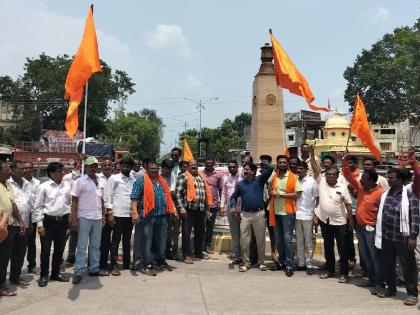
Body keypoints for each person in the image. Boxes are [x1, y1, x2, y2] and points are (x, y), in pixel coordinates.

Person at [375, 168, 419, 306]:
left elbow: (415, 218)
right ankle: (391, 289)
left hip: (403, 238)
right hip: (387, 236)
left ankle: (412, 294)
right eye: (388, 177)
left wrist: (413, 237)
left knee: (408, 267)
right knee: (388, 265)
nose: (389, 179)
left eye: (392, 178)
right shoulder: (386, 194)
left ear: (400, 179)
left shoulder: (410, 196)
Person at [310, 145, 353, 283]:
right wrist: (311, 153)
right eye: (328, 174)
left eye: (333, 174)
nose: (330, 176)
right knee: (328, 246)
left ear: (337, 176)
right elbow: (315, 167)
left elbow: (348, 204)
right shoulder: (321, 182)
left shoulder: (342, 186)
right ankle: (330, 269)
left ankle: (344, 273)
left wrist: (351, 221)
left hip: (340, 222)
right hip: (325, 220)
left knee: (343, 248)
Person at [342, 158, 384, 292]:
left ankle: (379, 283)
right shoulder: (361, 188)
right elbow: (348, 175)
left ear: (371, 181)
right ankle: (372, 280)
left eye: (364, 178)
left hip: (372, 229)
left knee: (375, 257)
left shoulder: (380, 194)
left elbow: (381, 214)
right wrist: (345, 161)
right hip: (360, 228)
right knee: (366, 256)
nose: (360, 180)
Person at [131, 160, 176, 276]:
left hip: (162, 215)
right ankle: (146, 265)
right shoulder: (141, 181)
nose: (155, 171)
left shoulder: (161, 180)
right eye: (152, 169)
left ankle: (160, 262)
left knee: (162, 240)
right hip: (147, 216)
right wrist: (135, 213)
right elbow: (134, 198)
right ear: (147, 169)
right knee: (147, 240)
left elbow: (167, 196)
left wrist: (173, 209)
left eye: (156, 168)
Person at [230, 161, 274, 272]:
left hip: (259, 214)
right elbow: (233, 197)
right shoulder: (240, 184)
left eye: (247, 169)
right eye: (244, 169)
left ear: (254, 171)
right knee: (244, 240)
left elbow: (270, 168)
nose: (245, 171)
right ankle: (246, 263)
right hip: (245, 215)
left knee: (260, 240)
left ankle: (261, 262)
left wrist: (261, 163)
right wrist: (233, 206)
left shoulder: (259, 180)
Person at [33, 162, 72, 287]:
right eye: (60, 171)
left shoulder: (67, 185)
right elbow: (38, 207)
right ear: (52, 173)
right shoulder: (44, 187)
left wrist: (70, 221)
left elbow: (69, 203)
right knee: (45, 249)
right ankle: (44, 275)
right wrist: (39, 224)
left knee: (59, 249)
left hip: (63, 221)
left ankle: (56, 273)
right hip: (48, 221)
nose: (63, 173)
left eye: (63, 171)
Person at [72, 156, 108, 285]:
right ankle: (78, 271)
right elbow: (74, 201)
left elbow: (102, 201)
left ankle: (94, 268)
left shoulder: (101, 180)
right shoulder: (80, 181)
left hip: (97, 217)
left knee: (95, 245)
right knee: (81, 246)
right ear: (85, 167)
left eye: (95, 166)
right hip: (84, 217)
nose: (93, 168)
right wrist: (74, 219)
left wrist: (103, 216)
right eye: (90, 166)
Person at [268, 155, 302, 277]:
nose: (282, 164)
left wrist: (281, 195)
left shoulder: (293, 177)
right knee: (279, 240)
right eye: (280, 162)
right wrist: (271, 192)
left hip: (287, 213)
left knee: (287, 239)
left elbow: (298, 194)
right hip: (275, 211)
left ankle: (288, 264)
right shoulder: (275, 176)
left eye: (284, 162)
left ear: (287, 164)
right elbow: (269, 188)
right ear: (277, 164)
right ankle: (281, 262)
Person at [175, 160, 213, 264]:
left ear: (198, 166)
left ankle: (198, 252)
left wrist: (207, 207)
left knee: (200, 232)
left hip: (200, 209)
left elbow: (204, 192)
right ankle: (186, 255)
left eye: (195, 165)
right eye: (191, 165)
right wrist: (181, 208)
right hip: (188, 209)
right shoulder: (183, 176)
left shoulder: (200, 177)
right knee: (186, 233)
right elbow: (178, 193)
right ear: (187, 167)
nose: (193, 166)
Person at [105, 158, 135, 276]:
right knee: (115, 241)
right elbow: (108, 196)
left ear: (131, 168)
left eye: (128, 166)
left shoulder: (133, 179)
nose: (126, 168)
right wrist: (110, 213)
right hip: (117, 214)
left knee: (127, 240)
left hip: (129, 214)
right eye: (124, 166)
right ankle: (113, 265)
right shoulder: (114, 178)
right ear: (120, 167)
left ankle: (127, 263)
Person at [0, 161, 25, 297]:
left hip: (7, 226)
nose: (9, 171)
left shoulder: (8, 185)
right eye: (6, 169)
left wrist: (20, 220)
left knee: (5, 257)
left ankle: (2, 285)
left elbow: (13, 205)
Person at [8, 160, 32, 287]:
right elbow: (10, 205)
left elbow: (30, 204)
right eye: (21, 169)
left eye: (24, 169)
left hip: (25, 224)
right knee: (7, 254)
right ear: (12, 170)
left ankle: (15, 277)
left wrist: (30, 222)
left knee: (20, 253)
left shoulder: (27, 184)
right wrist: (20, 221)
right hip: (11, 225)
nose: (24, 171)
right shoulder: (7, 184)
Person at [295, 161, 318, 275]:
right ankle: (301, 263)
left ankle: (309, 264)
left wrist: (315, 215)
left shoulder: (311, 181)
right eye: (297, 168)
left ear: (306, 169)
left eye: (301, 168)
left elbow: (317, 199)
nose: (299, 170)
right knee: (299, 240)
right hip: (296, 215)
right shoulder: (294, 180)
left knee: (308, 240)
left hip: (308, 214)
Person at [220, 159, 242, 263]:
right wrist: (222, 207)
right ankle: (236, 253)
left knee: (244, 232)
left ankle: (245, 254)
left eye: (234, 167)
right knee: (234, 231)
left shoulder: (242, 177)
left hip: (242, 208)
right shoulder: (225, 179)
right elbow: (224, 193)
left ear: (237, 167)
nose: (232, 168)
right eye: (230, 167)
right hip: (230, 208)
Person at [259, 154, 277, 264]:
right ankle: (258, 254)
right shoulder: (256, 174)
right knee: (258, 230)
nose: (264, 164)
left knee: (272, 230)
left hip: (270, 204)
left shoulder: (274, 174)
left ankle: (274, 252)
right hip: (259, 204)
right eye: (262, 162)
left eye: (266, 162)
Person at [202, 157, 223, 254]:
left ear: (213, 163)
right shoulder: (200, 174)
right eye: (207, 163)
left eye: (211, 163)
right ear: (204, 163)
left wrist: (221, 204)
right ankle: (199, 245)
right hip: (201, 205)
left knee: (210, 226)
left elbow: (221, 190)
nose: (209, 164)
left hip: (212, 206)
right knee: (200, 226)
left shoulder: (218, 175)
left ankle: (208, 245)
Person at [64, 160, 82, 267]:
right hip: (68, 208)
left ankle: (71, 256)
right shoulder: (67, 177)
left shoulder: (83, 176)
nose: (80, 164)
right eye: (78, 163)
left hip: (79, 208)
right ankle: (59, 256)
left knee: (75, 234)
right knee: (65, 233)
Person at [23, 162, 40, 275]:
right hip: (19, 218)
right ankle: (15, 268)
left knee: (31, 243)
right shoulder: (16, 182)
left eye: (30, 168)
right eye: (26, 168)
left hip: (32, 218)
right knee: (17, 245)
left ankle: (32, 265)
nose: (28, 169)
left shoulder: (37, 183)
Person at [98, 159, 114, 272]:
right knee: (97, 240)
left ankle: (103, 263)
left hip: (112, 212)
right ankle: (94, 263)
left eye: (109, 165)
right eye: (105, 165)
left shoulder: (115, 178)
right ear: (101, 166)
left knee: (107, 239)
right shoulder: (97, 178)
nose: (107, 166)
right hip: (99, 212)